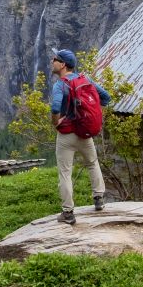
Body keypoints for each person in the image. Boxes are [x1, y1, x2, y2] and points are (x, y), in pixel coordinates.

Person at [49, 49, 109, 225]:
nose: (52, 61)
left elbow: (55, 107)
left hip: (67, 135)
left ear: (63, 65)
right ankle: (99, 199)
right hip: (85, 133)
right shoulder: (85, 80)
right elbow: (105, 98)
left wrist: (56, 121)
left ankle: (68, 213)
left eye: (55, 59)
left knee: (65, 173)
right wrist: (89, 115)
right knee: (92, 163)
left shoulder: (60, 84)